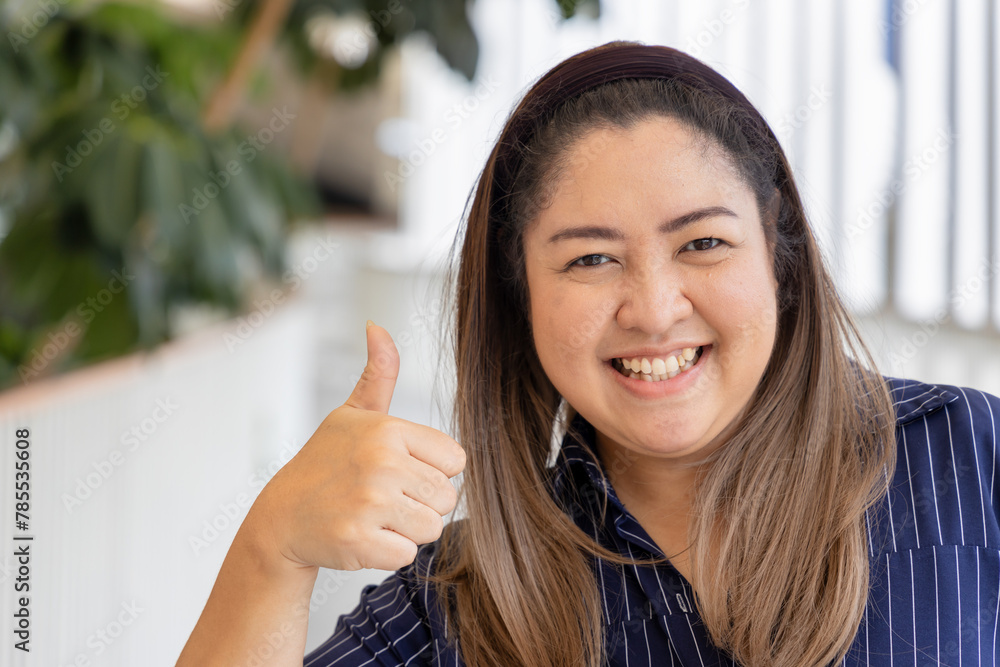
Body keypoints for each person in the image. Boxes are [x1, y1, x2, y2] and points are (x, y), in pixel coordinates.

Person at [177, 41, 1000, 667]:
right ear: (521, 297)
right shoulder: (461, 603)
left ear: (779, 258)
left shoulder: (968, 456)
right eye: (591, 258)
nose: (654, 309)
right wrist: (273, 549)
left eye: (703, 242)